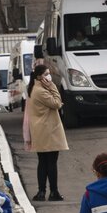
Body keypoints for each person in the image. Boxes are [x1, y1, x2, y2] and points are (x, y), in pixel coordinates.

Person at [23, 62, 68, 201]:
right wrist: (53, 87)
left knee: (42, 162)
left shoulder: (33, 89)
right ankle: (53, 192)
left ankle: (41, 192)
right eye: (46, 74)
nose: (49, 77)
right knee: (51, 162)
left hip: (39, 130)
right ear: (39, 77)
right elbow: (57, 104)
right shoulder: (41, 91)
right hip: (49, 130)